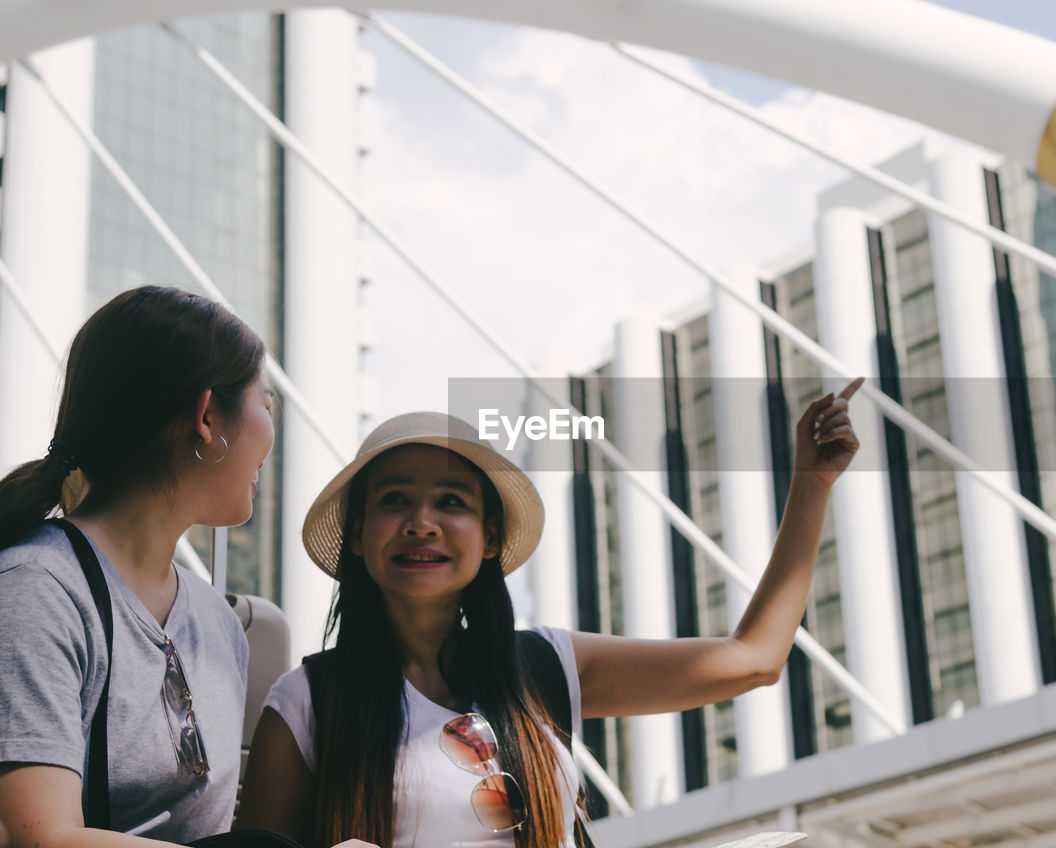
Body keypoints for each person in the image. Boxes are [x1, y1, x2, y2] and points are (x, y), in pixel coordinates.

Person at [236, 379, 864, 848]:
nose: (421, 523)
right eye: (395, 499)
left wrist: (812, 483)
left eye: (449, 501)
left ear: (486, 538)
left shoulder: (544, 667)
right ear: (356, 537)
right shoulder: (306, 705)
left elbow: (754, 659)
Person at [0, 285, 276, 847]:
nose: (272, 433)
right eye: (267, 406)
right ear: (206, 416)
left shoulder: (220, 625)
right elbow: (44, 838)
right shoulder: (36, 590)